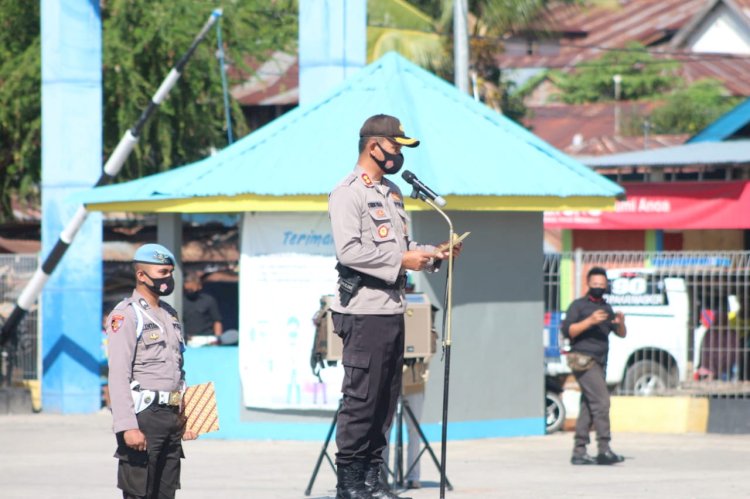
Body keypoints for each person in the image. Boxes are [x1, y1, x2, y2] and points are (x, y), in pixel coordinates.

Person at [328, 114, 460, 499]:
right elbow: (349, 250)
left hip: (391, 308)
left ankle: (372, 478)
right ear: (374, 146)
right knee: (361, 400)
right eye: (396, 145)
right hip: (363, 310)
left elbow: (402, 250)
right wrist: (403, 261)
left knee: (385, 399)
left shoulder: (392, 193)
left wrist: (435, 254)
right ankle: (349, 484)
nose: (399, 153)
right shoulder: (348, 191)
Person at [106, 243, 197, 499]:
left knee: (166, 492)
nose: (168, 278)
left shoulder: (169, 314)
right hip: (144, 416)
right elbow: (118, 374)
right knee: (140, 492)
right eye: (162, 273)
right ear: (141, 275)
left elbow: (178, 369)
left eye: (170, 272)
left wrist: (187, 414)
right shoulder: (126, 315)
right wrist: (126, 426)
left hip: (171, 416)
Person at [561, 266, 626, 466]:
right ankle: (604, 449)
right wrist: (589, 321)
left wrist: (621, 322)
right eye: (595, 284)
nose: (598, 287)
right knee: (602, 402)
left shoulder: (607, 308)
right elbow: (568, 331)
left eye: (602, 285)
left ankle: (579, 451)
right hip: (582, 360)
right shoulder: (578, 306)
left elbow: (621, 333)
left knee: (589, 405)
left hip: (600, 362)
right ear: (588, 284)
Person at [182, 272, 223, 345]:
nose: (189, 292)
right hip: (188, 340)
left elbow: (217, 321)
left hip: (206, 340)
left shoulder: (208, 300)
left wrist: (217, 338)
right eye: (187, 290)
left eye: (191, 290)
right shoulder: (180, 302)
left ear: (199, 286)